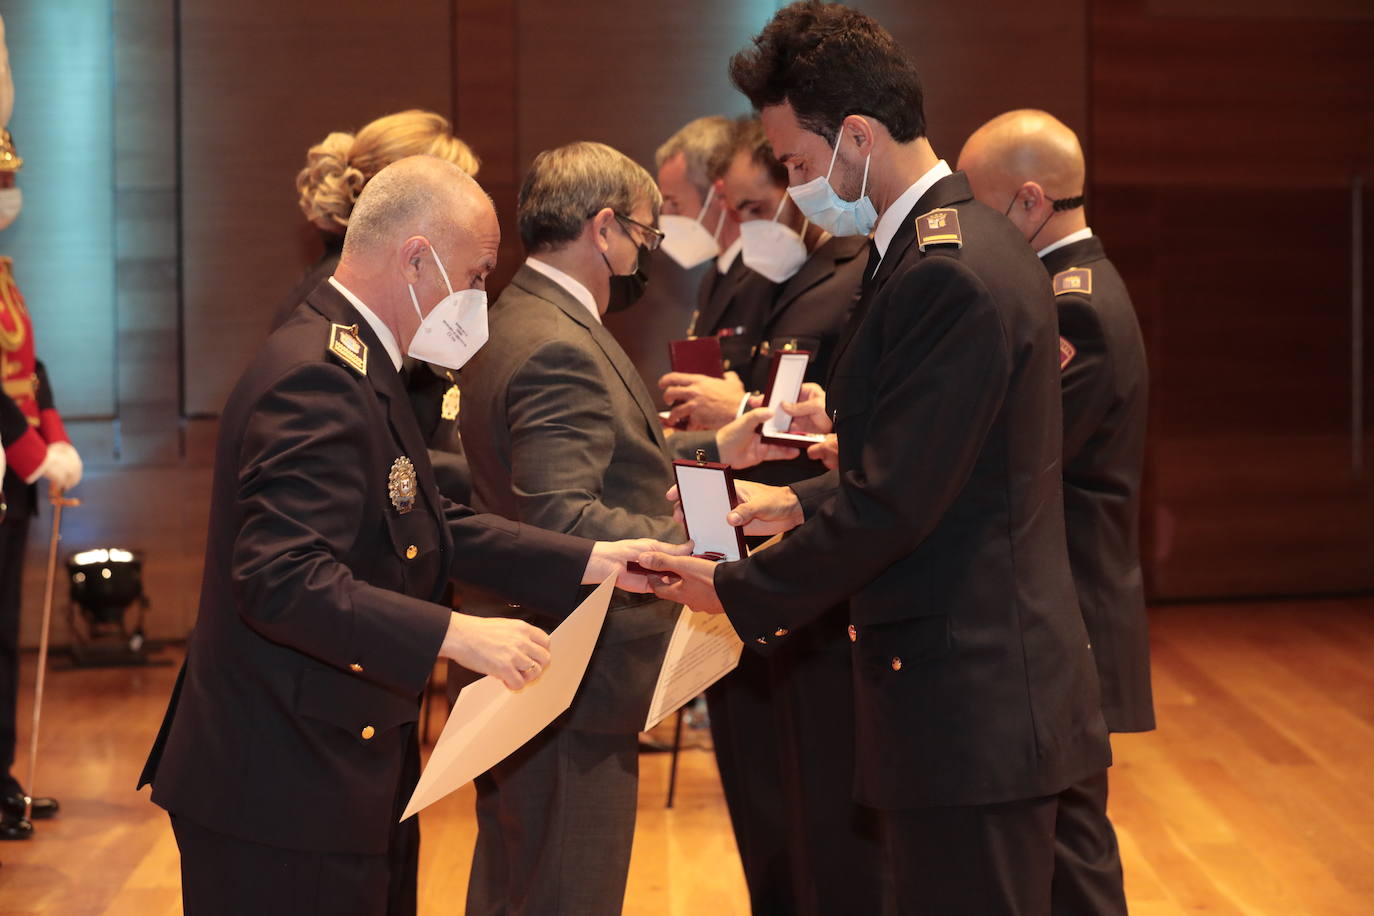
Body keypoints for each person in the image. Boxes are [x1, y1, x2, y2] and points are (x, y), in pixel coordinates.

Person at [639, 4, 1112, 913]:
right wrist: (799, 503)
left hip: (970, 693)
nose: (798, 189)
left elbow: (896, 502)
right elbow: (931, 458)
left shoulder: (945, 268)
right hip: (959, 683)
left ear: (857, 136)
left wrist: (733, 588)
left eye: (798, 166)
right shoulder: (942, 246)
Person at [137, 155, 684, 916]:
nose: (480, 299)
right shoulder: (316, 375)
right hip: (281, 784)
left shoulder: (361, 360)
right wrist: (457, 635)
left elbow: (426, 520)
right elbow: (282, 578)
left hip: (335, 764)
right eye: (476, 275)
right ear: (417, 259)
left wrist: (594, 559)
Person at [458, 140, 795, 915]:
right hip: (571, 676)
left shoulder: (517, 315)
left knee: (514, 884)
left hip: (529, 658)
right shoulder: (558, 345)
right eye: (643, 235)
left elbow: (611, 459)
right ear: (603, 228)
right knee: (563, 893)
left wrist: (715, 448)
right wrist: (706, 538)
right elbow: (566, 521)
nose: (645, 256)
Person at [668, 116, 881, 915]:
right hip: (753, 545)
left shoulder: (854, 268)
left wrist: (742, 407)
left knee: (825, 810)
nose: (751, 220)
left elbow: (851, 425)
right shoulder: (776, 270)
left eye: (765, 199)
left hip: (815, 555)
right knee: (770, 800)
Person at [959, 108, 1153, 916]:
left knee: (1071, 842)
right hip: (1061, 600)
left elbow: (1024, 455)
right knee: (1061, 835)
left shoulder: (1077, 306)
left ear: (1031, 201)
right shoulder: (1062, 289)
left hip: (1070, 603)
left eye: (977, 204)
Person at [277, 109, 482, 503]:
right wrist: (476, 474)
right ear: (402, 201)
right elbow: (361, 454)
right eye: (455, 199)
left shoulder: (401, 289)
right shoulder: (347, 300)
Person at [0, 17, 78, 843]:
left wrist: (55, 439)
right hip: (4, 471)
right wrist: (31, 456)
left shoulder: (5, 274)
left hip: (13, 477)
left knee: (5, 638)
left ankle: (3, 777)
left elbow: (30, 366)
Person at [654, 116, 775, 411]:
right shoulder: (715, 276)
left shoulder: (769, 271)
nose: (665, 216)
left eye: (674, 202)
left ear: (720, 196)